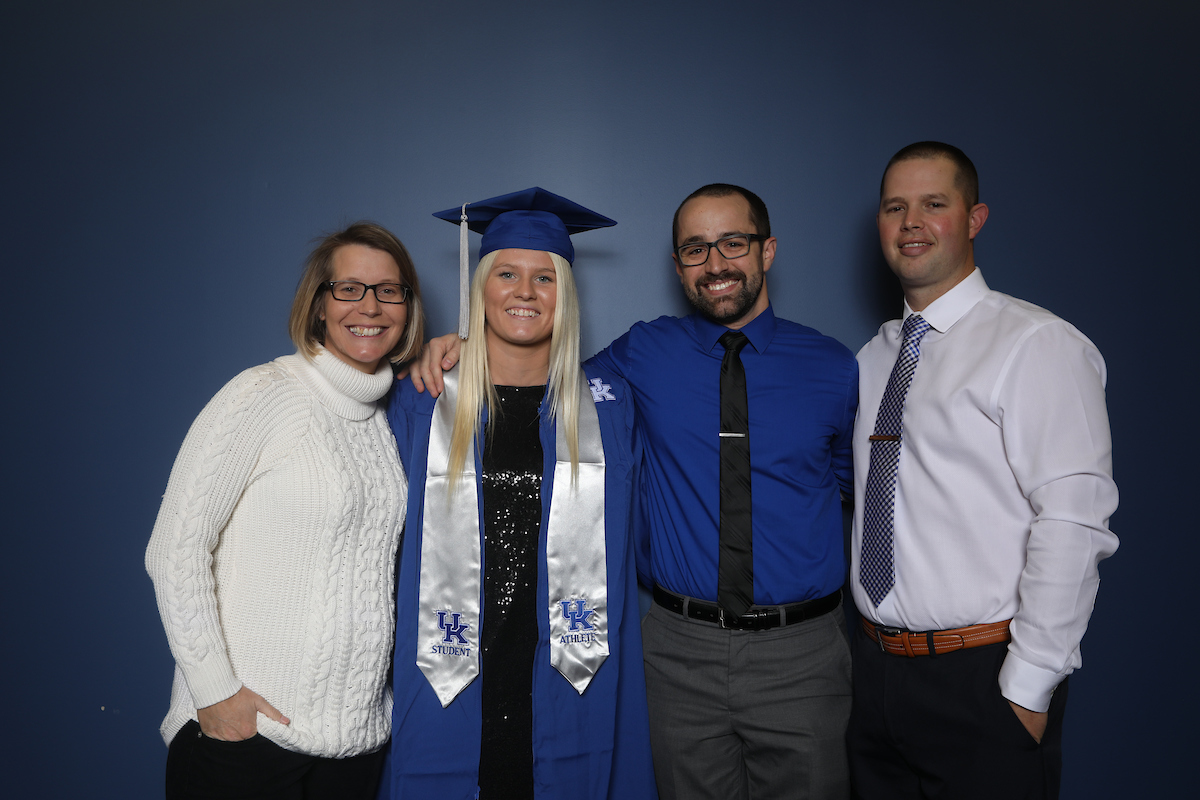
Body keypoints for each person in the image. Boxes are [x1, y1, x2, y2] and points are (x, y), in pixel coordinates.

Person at [412, 185, 857, 799]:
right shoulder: (642, 355)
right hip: (681, 650)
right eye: (695, 249)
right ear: (677, 266)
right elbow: (545, 371)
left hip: (800, 652)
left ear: (767, 250)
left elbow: (847, 487)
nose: (716, 263)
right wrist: (460, 348)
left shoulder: (835, 367)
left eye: (734, 243)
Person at [847, 142, 1119, 799]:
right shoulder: (869, 359)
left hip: (982, 680)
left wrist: (1027, 689)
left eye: (934, 204)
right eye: (895, 207)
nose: (912, 222)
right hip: (875, 677)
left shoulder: (1036, 345)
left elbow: (1074, 521)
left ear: (974, 219)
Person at [380, 188, 656, 800]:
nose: (525, 293)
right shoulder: (419, 401)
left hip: (568, 661)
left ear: (566, 294)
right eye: (506, 273)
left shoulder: (610, 406)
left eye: (544, 278)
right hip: (452, 658)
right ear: (480, 286)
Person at [145, 222, 425, 799]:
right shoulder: (264, 393)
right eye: (349, 288)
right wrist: (214, 691)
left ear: (407, 306)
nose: (369, 306)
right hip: (247, 738)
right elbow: (175, 548)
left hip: (355, 746)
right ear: (319, 304)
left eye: (388, 290)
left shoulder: (384, 417)